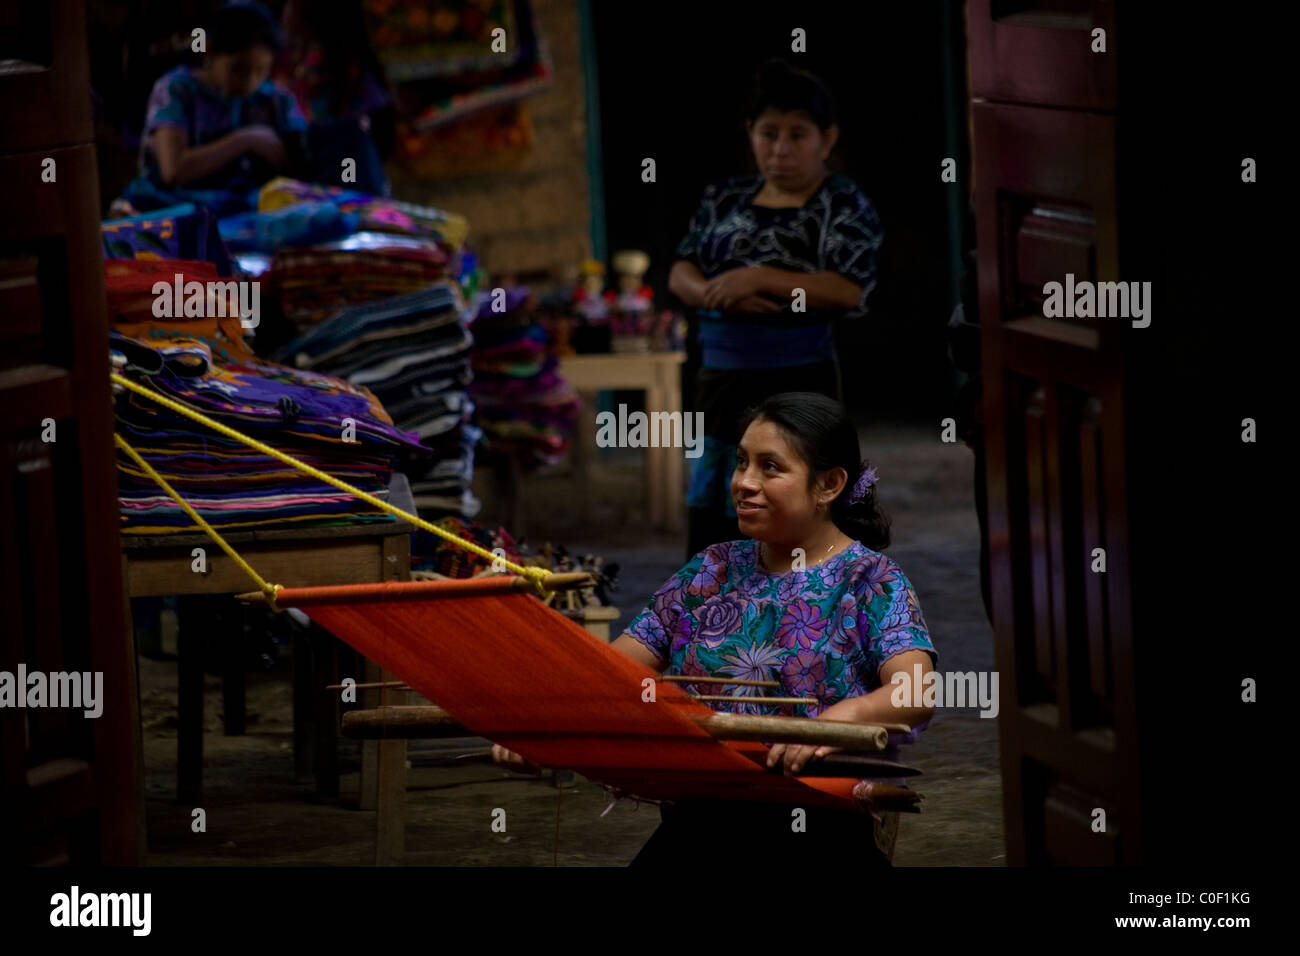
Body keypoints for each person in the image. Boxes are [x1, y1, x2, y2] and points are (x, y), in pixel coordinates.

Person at [494, 392, 937, 866]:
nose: (744, 482)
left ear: (828, 484)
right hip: (707, 813)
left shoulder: (870, 579)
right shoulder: (713, 569)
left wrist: (841, 719)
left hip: (820, 812)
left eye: (770, 467)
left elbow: (916, 690)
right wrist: (541, 724)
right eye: (741, 462)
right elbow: (613, 671)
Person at [668, 59, 884, 559]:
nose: (780, 149)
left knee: (798, 505)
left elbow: (848, 288)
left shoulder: (840, 203)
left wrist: (760, 278)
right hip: (723, 383)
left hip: (799, 378)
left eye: (797, 135)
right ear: (750, 133)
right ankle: (720, 626)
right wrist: (713, 294)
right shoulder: (725, 197)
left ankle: (806, 625)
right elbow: (682, 268)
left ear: (827, 140)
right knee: (727, 510)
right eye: (769, 134)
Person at [121, 1, 309, 217]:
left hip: (246, 208)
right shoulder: (178, 90)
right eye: (239, 70)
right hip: (179, 206)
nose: (250, 82)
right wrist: (246, 140)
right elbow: (172, 170)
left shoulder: (274, 98)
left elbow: (300, 158)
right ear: (209, 51)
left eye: (261, 71)